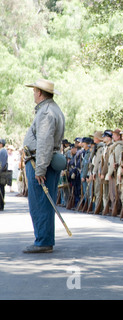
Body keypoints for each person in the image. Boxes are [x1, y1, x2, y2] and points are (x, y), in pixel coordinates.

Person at [22, 79, 65, 253]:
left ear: (39, 92)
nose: (33, 94)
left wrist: (40, 168)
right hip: (43, 161)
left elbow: (45, 142)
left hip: (40, 162)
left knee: (40, 203)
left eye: (34, 91)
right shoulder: (51, 109)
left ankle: (43, 241)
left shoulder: (46, 112)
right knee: (44, 202)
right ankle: (44, 239)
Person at [0, 139, 8, 210]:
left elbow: (2, 163)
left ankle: (1, 205)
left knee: (1, 189)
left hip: (1, 172)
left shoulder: (2, 151)